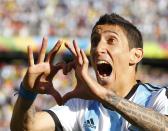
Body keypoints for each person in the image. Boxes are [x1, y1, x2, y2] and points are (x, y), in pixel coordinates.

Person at [10, 13, 168, 131]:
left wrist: (105, 96)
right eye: (95, 41)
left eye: (111, 40)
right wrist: (28, 91)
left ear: (135, 55)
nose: (98, 49)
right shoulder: (82, 105)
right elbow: (25, 127)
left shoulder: (157, 97)